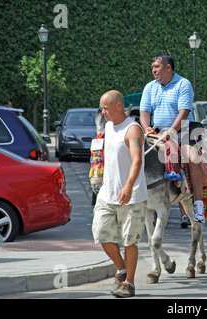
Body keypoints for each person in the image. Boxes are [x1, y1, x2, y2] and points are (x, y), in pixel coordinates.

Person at [92, 90, 148, 298]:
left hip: (131, 197)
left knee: (129, 240)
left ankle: (129, 283)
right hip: (107, 194)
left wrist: (128, 186)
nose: (102, 112)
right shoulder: (107, 126)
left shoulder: (133, 130)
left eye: (105, 108)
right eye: (101, 108)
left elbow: (137, 160)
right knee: (101, 232)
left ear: (118, 106)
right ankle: (121, 269)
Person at [140, 52, 205, 223]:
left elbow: (184, 113)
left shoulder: (183, 84)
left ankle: (198, 204)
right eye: (152, 67)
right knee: (137, 155)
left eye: (157, 67)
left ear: (168, 67)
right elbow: (144, 112)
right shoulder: (150, 87)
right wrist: (146, 127)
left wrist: (172, 130)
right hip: (156, 132)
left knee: (193, 157)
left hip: (183, 131)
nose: (154, 70)